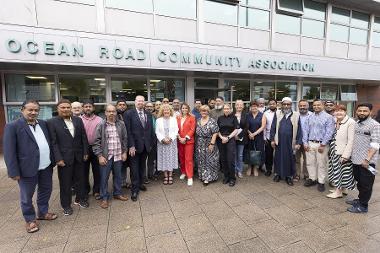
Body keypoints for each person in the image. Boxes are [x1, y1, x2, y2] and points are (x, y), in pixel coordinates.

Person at [3, 100, 57, 233]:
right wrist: (13, 171)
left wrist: (52, 161)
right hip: (26, 169)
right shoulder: (13, 126)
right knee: (26, 196)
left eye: (36, 110)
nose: (33, 112)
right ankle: (30, 220)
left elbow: (49, 143)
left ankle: (43, 213)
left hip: (45, 166)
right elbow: (9, 151)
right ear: (22, 110)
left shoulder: (43, 124)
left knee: (45, 191)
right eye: (30, 110)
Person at [47, 99, 89, 215]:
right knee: (65, 183)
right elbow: (53, 143)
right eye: (63, 107)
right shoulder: (52, 122)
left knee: (81, 180)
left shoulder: (78, 120)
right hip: (64, 159)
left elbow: (83, 137)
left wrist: (85, 152)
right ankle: (66, 205)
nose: (65, 109)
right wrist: (58, 158)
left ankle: (81, 199)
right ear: (58, 109)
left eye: (67, 107)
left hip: (79, 156)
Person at [93, 104, 129, 209]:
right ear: (105, 113)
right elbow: (96, 142)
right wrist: (99, 156)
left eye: (113, 111)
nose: (111, 113)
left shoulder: (121, 124)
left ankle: (117, 193)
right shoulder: (101, 125)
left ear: (116, 113)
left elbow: (124, 139)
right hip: (106, 156)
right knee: (104, 178)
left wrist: (124, 152)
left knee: (118, 176)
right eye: (109, 111)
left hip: (118, 155)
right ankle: (104, 197)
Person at [346, 103, 380, 213]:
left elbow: (375, 144)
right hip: (356, 159)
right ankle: (360, 200)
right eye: (359, 110)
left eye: (365, 111)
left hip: (367, 161)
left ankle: (363, 206)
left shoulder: (375, 125)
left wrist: (367, 160)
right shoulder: (356, 123)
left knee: (366, 184)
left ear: (370, 112)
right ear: (356, 111)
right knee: (359, 182)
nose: (361, 113)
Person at [124, 95, 154, 201]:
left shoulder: (148, 114)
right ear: (135, 102)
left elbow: (150, 130)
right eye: (138, 101)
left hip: (145, 146)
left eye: (142, 101)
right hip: (134, 147)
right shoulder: (128, 114)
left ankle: (140, 184)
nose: (140, 102)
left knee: (142, 167)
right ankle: (134, 190)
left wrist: (150, 144)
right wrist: (131, 145)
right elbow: (128, 131)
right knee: (134, 169)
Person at [303, 99, 335, 192]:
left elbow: (329, 132)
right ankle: (312, 179)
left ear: (323, 105)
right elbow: (305, 130)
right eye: (314, 105)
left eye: (318, 105)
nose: (316, 107)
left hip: (321, 144)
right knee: (310, 162)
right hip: (310, 143)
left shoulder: (329, 117)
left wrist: (323, 144)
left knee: (321, 164)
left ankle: (321, 182)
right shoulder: (309, 117)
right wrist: (305, 143)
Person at [270, 97, 303, 186]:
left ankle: (289, 176)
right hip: (279, 141)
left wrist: (298, 143)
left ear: (291, 105)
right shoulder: (277, 114)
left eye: (288, 104)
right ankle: (278, 174)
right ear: (281, 105)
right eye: (284, 104)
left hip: (290, 142)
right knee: (278, 158)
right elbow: (273, 127)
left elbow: (300, 130)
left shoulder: (296, 115)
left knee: (290, 159)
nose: (286, 106)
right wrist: (272, 139)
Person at [327, 104, 356, 199]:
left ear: (345, 112)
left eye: (341, 110)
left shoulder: (350, 122)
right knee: (338, 171)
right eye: (337, 111)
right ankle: (342, 189)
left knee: (340, 172)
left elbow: (351, 140)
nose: (338, 112)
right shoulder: (336, 121)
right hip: (334, 151)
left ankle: (338, 192)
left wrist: (345, 155)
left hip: (342, 152)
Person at [81, 100, 103, 199]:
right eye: (86, 106)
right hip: (84, 149)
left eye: (90, 106)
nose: (88, 108)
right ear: (83, 108)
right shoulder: (78, 120)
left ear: (93, 108)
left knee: (97, 170)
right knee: (84, 171)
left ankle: (97, 190)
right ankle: (85, 190)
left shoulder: (100, 120)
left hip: (96, 147)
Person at [196, 105, 220, 185]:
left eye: (205, 111)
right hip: (200, 144)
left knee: (210, 161)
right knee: (201, 161)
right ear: (200, 112)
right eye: (202, 111)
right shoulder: (198, 120)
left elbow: (215, 132)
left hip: (209, 143)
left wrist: (212, 143)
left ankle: (209, 178)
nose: (204, 112)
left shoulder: (212, 121)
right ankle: (202, 176)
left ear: (208, 112)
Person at [156, 104, 179, 185]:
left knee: (171, 158)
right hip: (162, 143)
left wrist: (170, 138)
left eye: (168, 110)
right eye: (164, 110)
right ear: (162, 111)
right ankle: (165, 175)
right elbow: (157, 131)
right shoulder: (158, 120)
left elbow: (176, 130)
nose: (166, 111)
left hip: (171, 142)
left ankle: (170, 175)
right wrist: (163, 139)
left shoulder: (174, 119)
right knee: (164, 159)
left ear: (170, 111)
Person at [218, 104, 239, 186]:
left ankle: (232, 178)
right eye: (225, 109)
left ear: (230, 109)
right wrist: (221, 137)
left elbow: (236, 129)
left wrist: (228, 138)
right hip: (221, 140)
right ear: (223, 110)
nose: (226, 110)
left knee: (230, 160)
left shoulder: (234, 118)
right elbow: (217, 129)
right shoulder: (220, 118)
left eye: (228, 109)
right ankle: (226, 177)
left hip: (230, 140)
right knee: (223, 159)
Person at [177, 103, 196, 186]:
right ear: (181, 109)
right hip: (180, 141)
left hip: (188, 141)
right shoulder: (178, 118)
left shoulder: (192, 117)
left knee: (188, 159)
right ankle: (183, 172)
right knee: (181, 158)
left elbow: (192, 129)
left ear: (188, 109)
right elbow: (175, 128)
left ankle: (190, 176)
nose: (184, 109)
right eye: (183, 108)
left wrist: (185, 138)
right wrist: (179, 138)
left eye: (186, 108)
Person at [246, 100, 266, 176]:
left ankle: (255, 168)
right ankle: (249, 167)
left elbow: (263, 126)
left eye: (255, 106)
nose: (254, 107)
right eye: (252, 106)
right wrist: (250, 133)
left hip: (258, 137)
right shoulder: (247, 115)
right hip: (249, 137)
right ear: (250, 107)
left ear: (258, 107)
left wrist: (254, 134)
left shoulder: (262, 115)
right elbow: (245, 126)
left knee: (257, 152)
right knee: (249, 151)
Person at [296, 100, 311, 181]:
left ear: (308, 106)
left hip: (308, 142)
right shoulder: (295, 115)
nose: (302, 107)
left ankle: (306, 175)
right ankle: (297, 174)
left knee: (307, 159)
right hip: (297, 141)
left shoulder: (312, 115)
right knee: (296, 159)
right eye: (300, 106)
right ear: (298, 106)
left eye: (304, 105)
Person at [115, 99, 129, 187]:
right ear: (116, 106)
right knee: (117, 166)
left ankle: (123, 182)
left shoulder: (128, 114)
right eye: (120, 104)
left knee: (124, 164)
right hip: (116, 144)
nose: (122, 106)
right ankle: (117, 184)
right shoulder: (114, 115)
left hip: (126, 143)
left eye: (124, 104)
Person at [263, 98, 277, 177]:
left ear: (276, 104)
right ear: (268, 105)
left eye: (273, 103)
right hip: (268, 137)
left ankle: (277, 170)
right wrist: (264, 138)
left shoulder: (280, 113)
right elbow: (264, 126)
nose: (272, 105)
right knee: (268, 155)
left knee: (278, 155)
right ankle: (268, 169)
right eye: (270, 104)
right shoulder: (266, 113)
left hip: (279, 137)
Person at [234, 100, 247, 178]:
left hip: (241, 138)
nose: (239, 106)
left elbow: (246, 127)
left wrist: (239, 136)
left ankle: (239, 171)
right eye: (237, 104)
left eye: (241, 105)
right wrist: (234, 135)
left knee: (240, 155)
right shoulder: (232, 114)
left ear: (243, 106)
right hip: (232, 138)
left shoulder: (246, 115)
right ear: (235, 106)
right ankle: (234, 170)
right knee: (234, 155)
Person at [145, 102, 157, 181]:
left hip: (154, 141)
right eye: (147, 106)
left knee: (151, 160)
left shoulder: (155, 117)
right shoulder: (143, 116)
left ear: (153, 108)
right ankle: (143, 177)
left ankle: (150, 174)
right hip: (144, 142)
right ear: (145, 107)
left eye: (151, 106)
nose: (149, 108)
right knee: (142, 161)